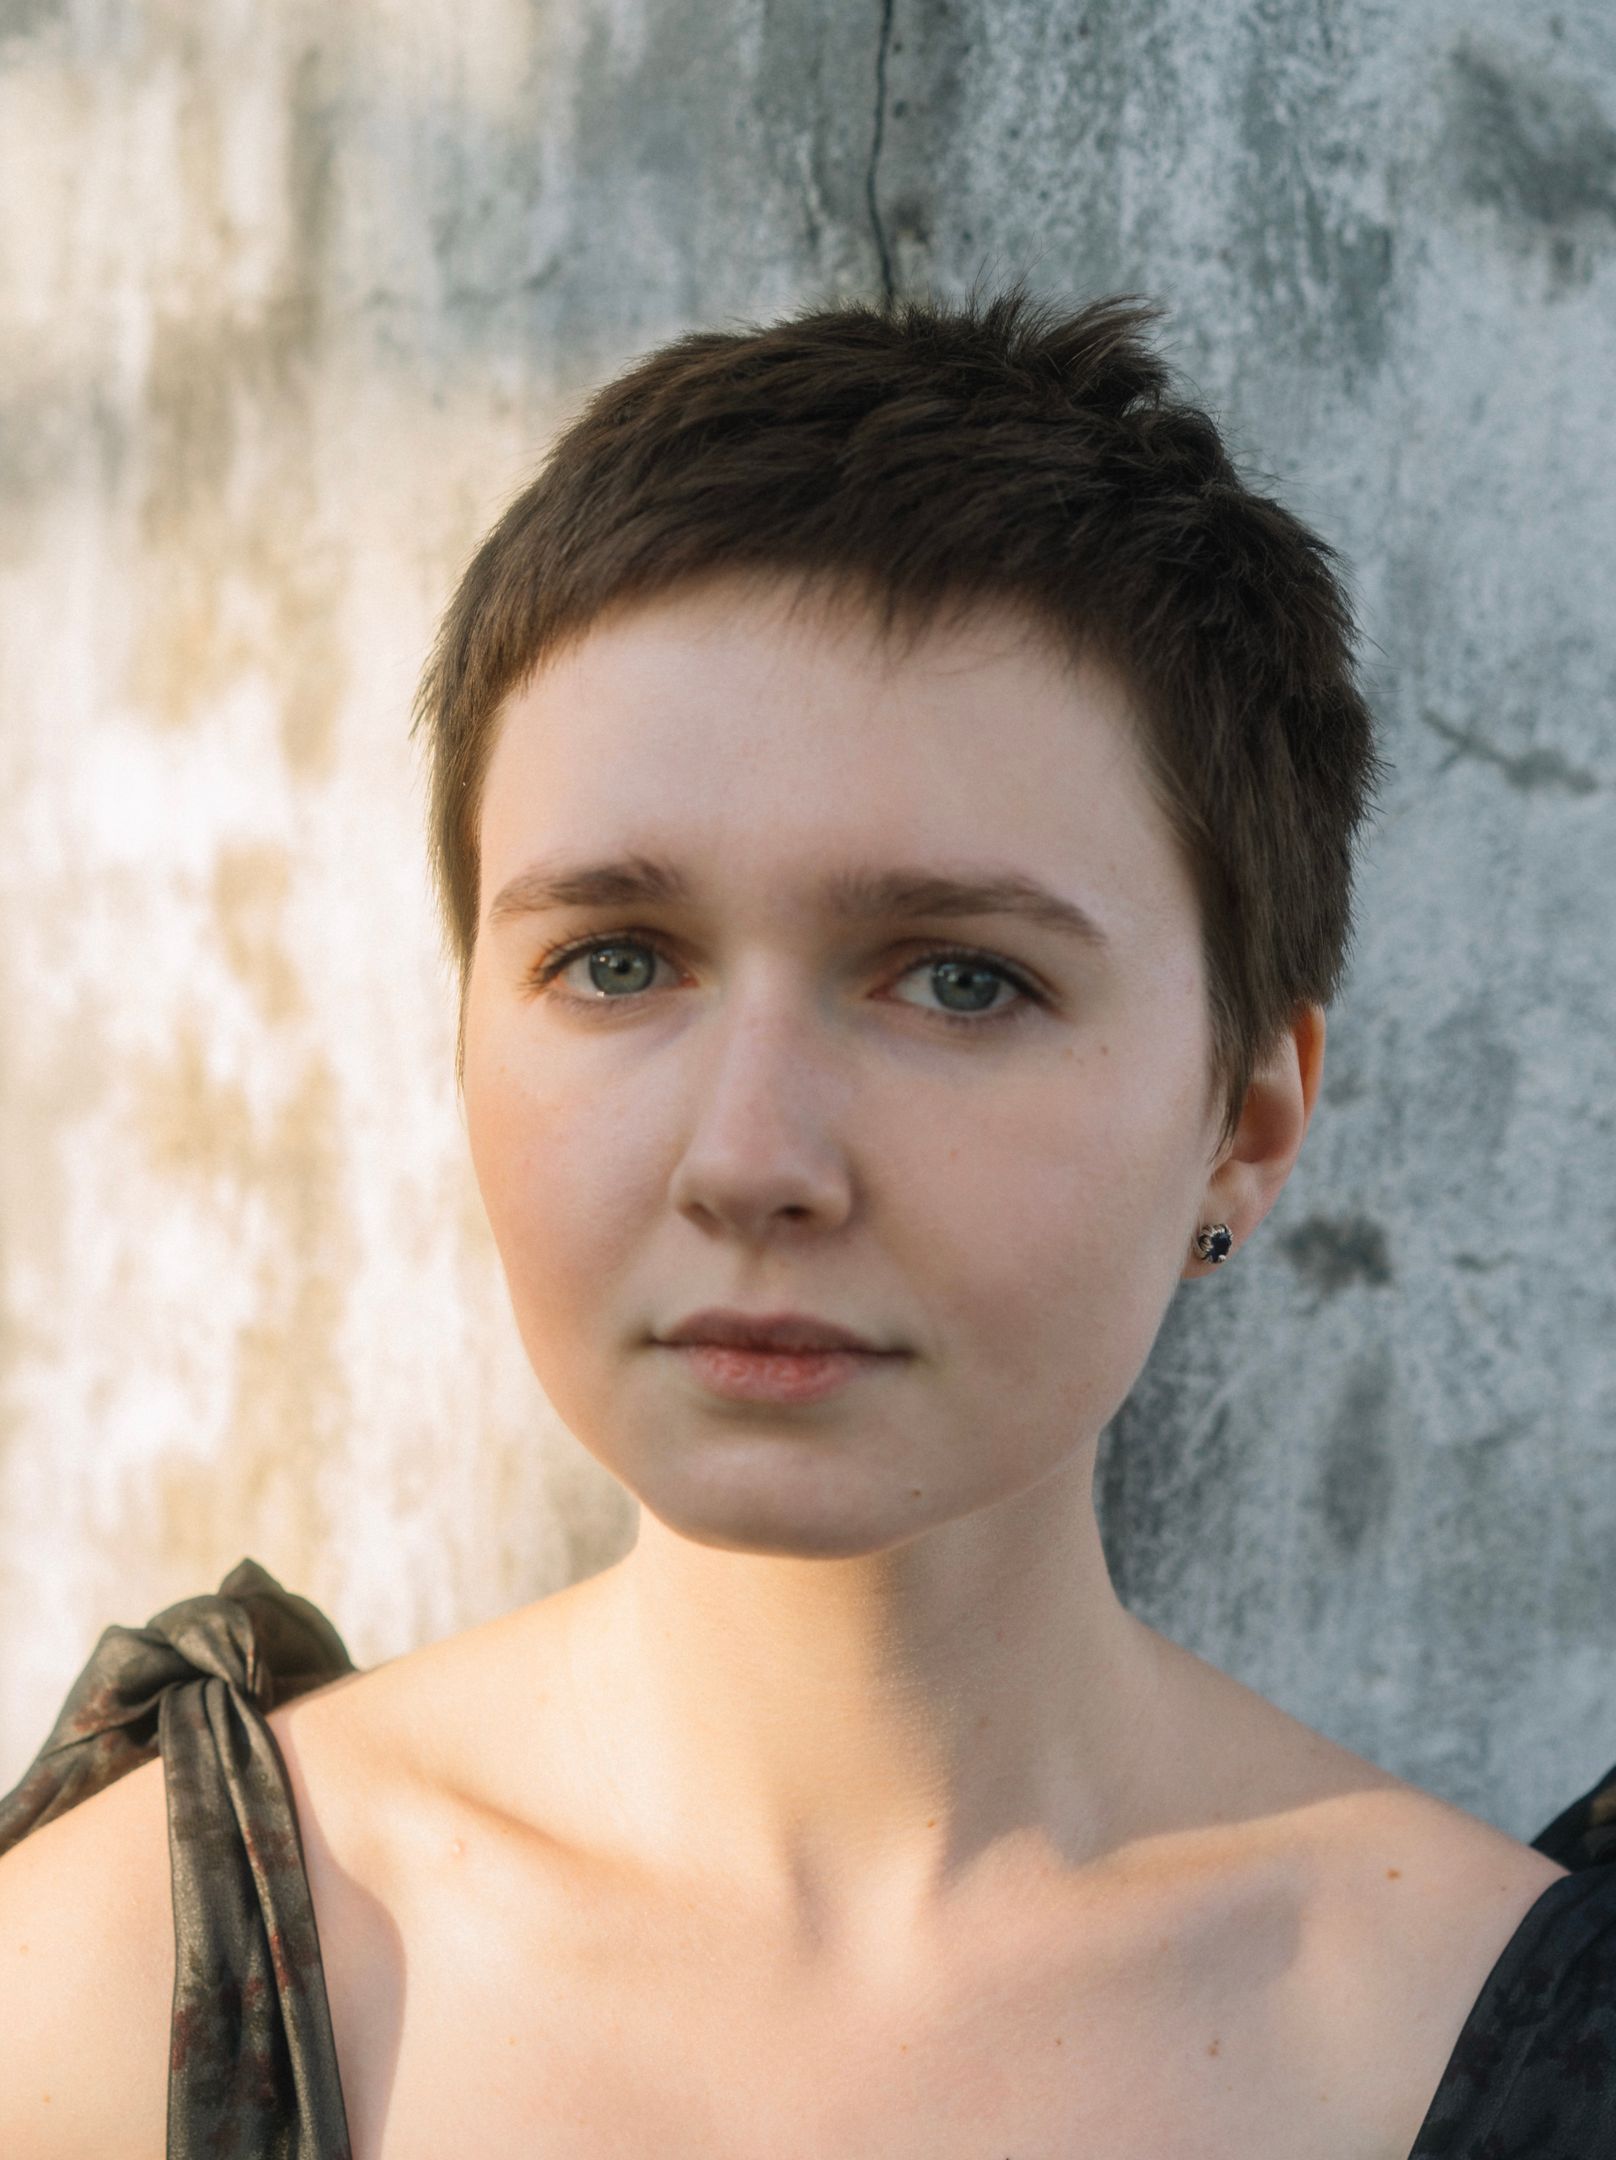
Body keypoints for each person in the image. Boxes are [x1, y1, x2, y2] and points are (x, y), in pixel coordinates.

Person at [1, 281, 1612, 2160]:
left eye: (961, 980)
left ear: (1245, 1121)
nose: (752, 1157)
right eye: (617, 961)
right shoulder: (101, 1989)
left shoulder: (1507, 2048)